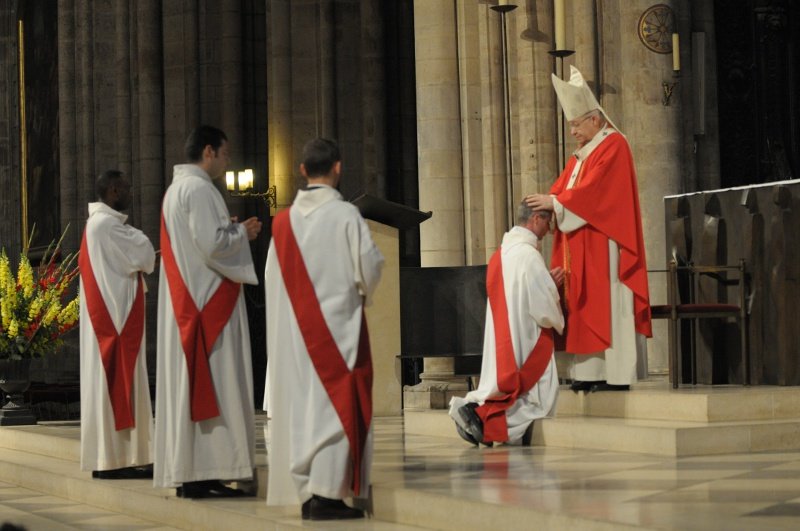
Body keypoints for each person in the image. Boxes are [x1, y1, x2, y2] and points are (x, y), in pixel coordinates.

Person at [264, 138, 384, 520]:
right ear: (337, 168)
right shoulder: (346, 215)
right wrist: (362, 292)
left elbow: (274, 276)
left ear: (302, 171)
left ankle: (307, 490)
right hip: (338, 329)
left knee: (304, 409)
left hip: (297, 333)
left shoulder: (283, 222)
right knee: (336, 404)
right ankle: (328, 496)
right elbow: (369, 266)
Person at [525, 66, 651, 393]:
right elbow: (563, 187)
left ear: (594, 120)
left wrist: (556, 204)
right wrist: (550, 201)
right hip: (581, 243)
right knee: (583, 306)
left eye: (576, 124)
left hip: (606, 246)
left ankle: (617, 375)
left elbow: (595, 192)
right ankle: (590, 373)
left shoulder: (614, 145)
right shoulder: (582, 155)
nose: (572, 132)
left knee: (608, 305)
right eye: (570, 125)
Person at [154, 125, 262, 498]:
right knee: (220, 381)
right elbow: (213, 245)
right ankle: (208, 470)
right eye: (226, 153)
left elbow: (198, 240)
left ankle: (198, 473)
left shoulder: (175, 191)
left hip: (190, 300)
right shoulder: (199, 188)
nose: (228, 159)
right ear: (209, 152)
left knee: (203, 386)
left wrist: (225, 231)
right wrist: (242, 233)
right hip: (209, 305)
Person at [449, 201, 564, 446]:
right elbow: (543, 308)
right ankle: (483, 422)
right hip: (526, 336)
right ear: (534, 219)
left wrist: (545, 283)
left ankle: (474, 411)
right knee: (536, 397)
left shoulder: (501, 254)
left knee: (509, 385)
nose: (549, 229)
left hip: (505, 334)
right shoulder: (528, 255)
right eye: (546, 221)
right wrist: (552, 287)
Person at [79, 170, 156, 479]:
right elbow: (145, 252)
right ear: (112, 191)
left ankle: (116, 457)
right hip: (114, 323)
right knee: (118, 387)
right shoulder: (107, 226)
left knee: (118, 387)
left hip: (111, 319)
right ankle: (113, 461)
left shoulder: (96, 225)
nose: (132, 194)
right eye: (126, 189)